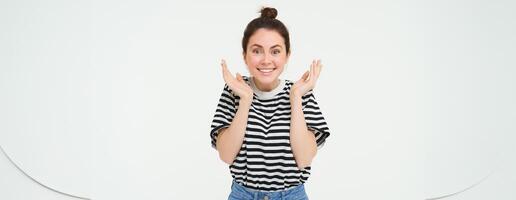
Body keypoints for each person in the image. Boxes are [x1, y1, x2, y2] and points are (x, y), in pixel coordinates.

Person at [210, 7, 331, 200]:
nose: (266, 60)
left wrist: (296, 98)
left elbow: (304, 158)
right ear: (245, 56)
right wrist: (246, 100)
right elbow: (226, 155)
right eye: (257, 51)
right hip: (244, 195)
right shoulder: (235, 91)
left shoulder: (300, 92)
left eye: (275, 51)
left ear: (287, 56)